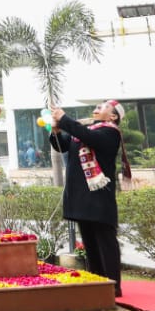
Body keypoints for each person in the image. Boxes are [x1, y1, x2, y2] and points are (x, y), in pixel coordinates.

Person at [49, 101, 125, 296]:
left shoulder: (111, 132)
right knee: (90, 241)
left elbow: (87, 136)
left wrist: (64, 118)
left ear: (113, 116)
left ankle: (113, 284)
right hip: (81, 194)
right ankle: (97, 280)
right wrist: (56, 131)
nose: (97, 108)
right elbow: (63, 145)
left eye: (103, 107)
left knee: (105, 240)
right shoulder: (87, 131)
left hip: (99, 195)